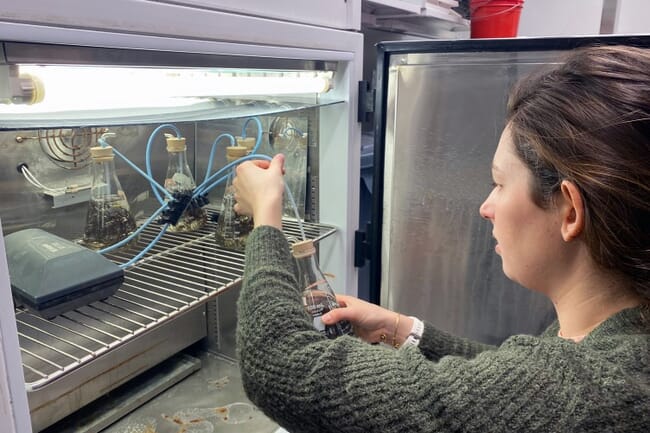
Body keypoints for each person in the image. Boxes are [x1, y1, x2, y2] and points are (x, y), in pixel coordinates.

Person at [233, 45, 650, 433]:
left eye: (499, 184)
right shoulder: (619, 336)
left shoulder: (586, 390)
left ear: (570, 211)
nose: (486, 207)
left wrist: (266, 218)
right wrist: (404, 330)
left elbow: (281, 365)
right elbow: (509, 393)